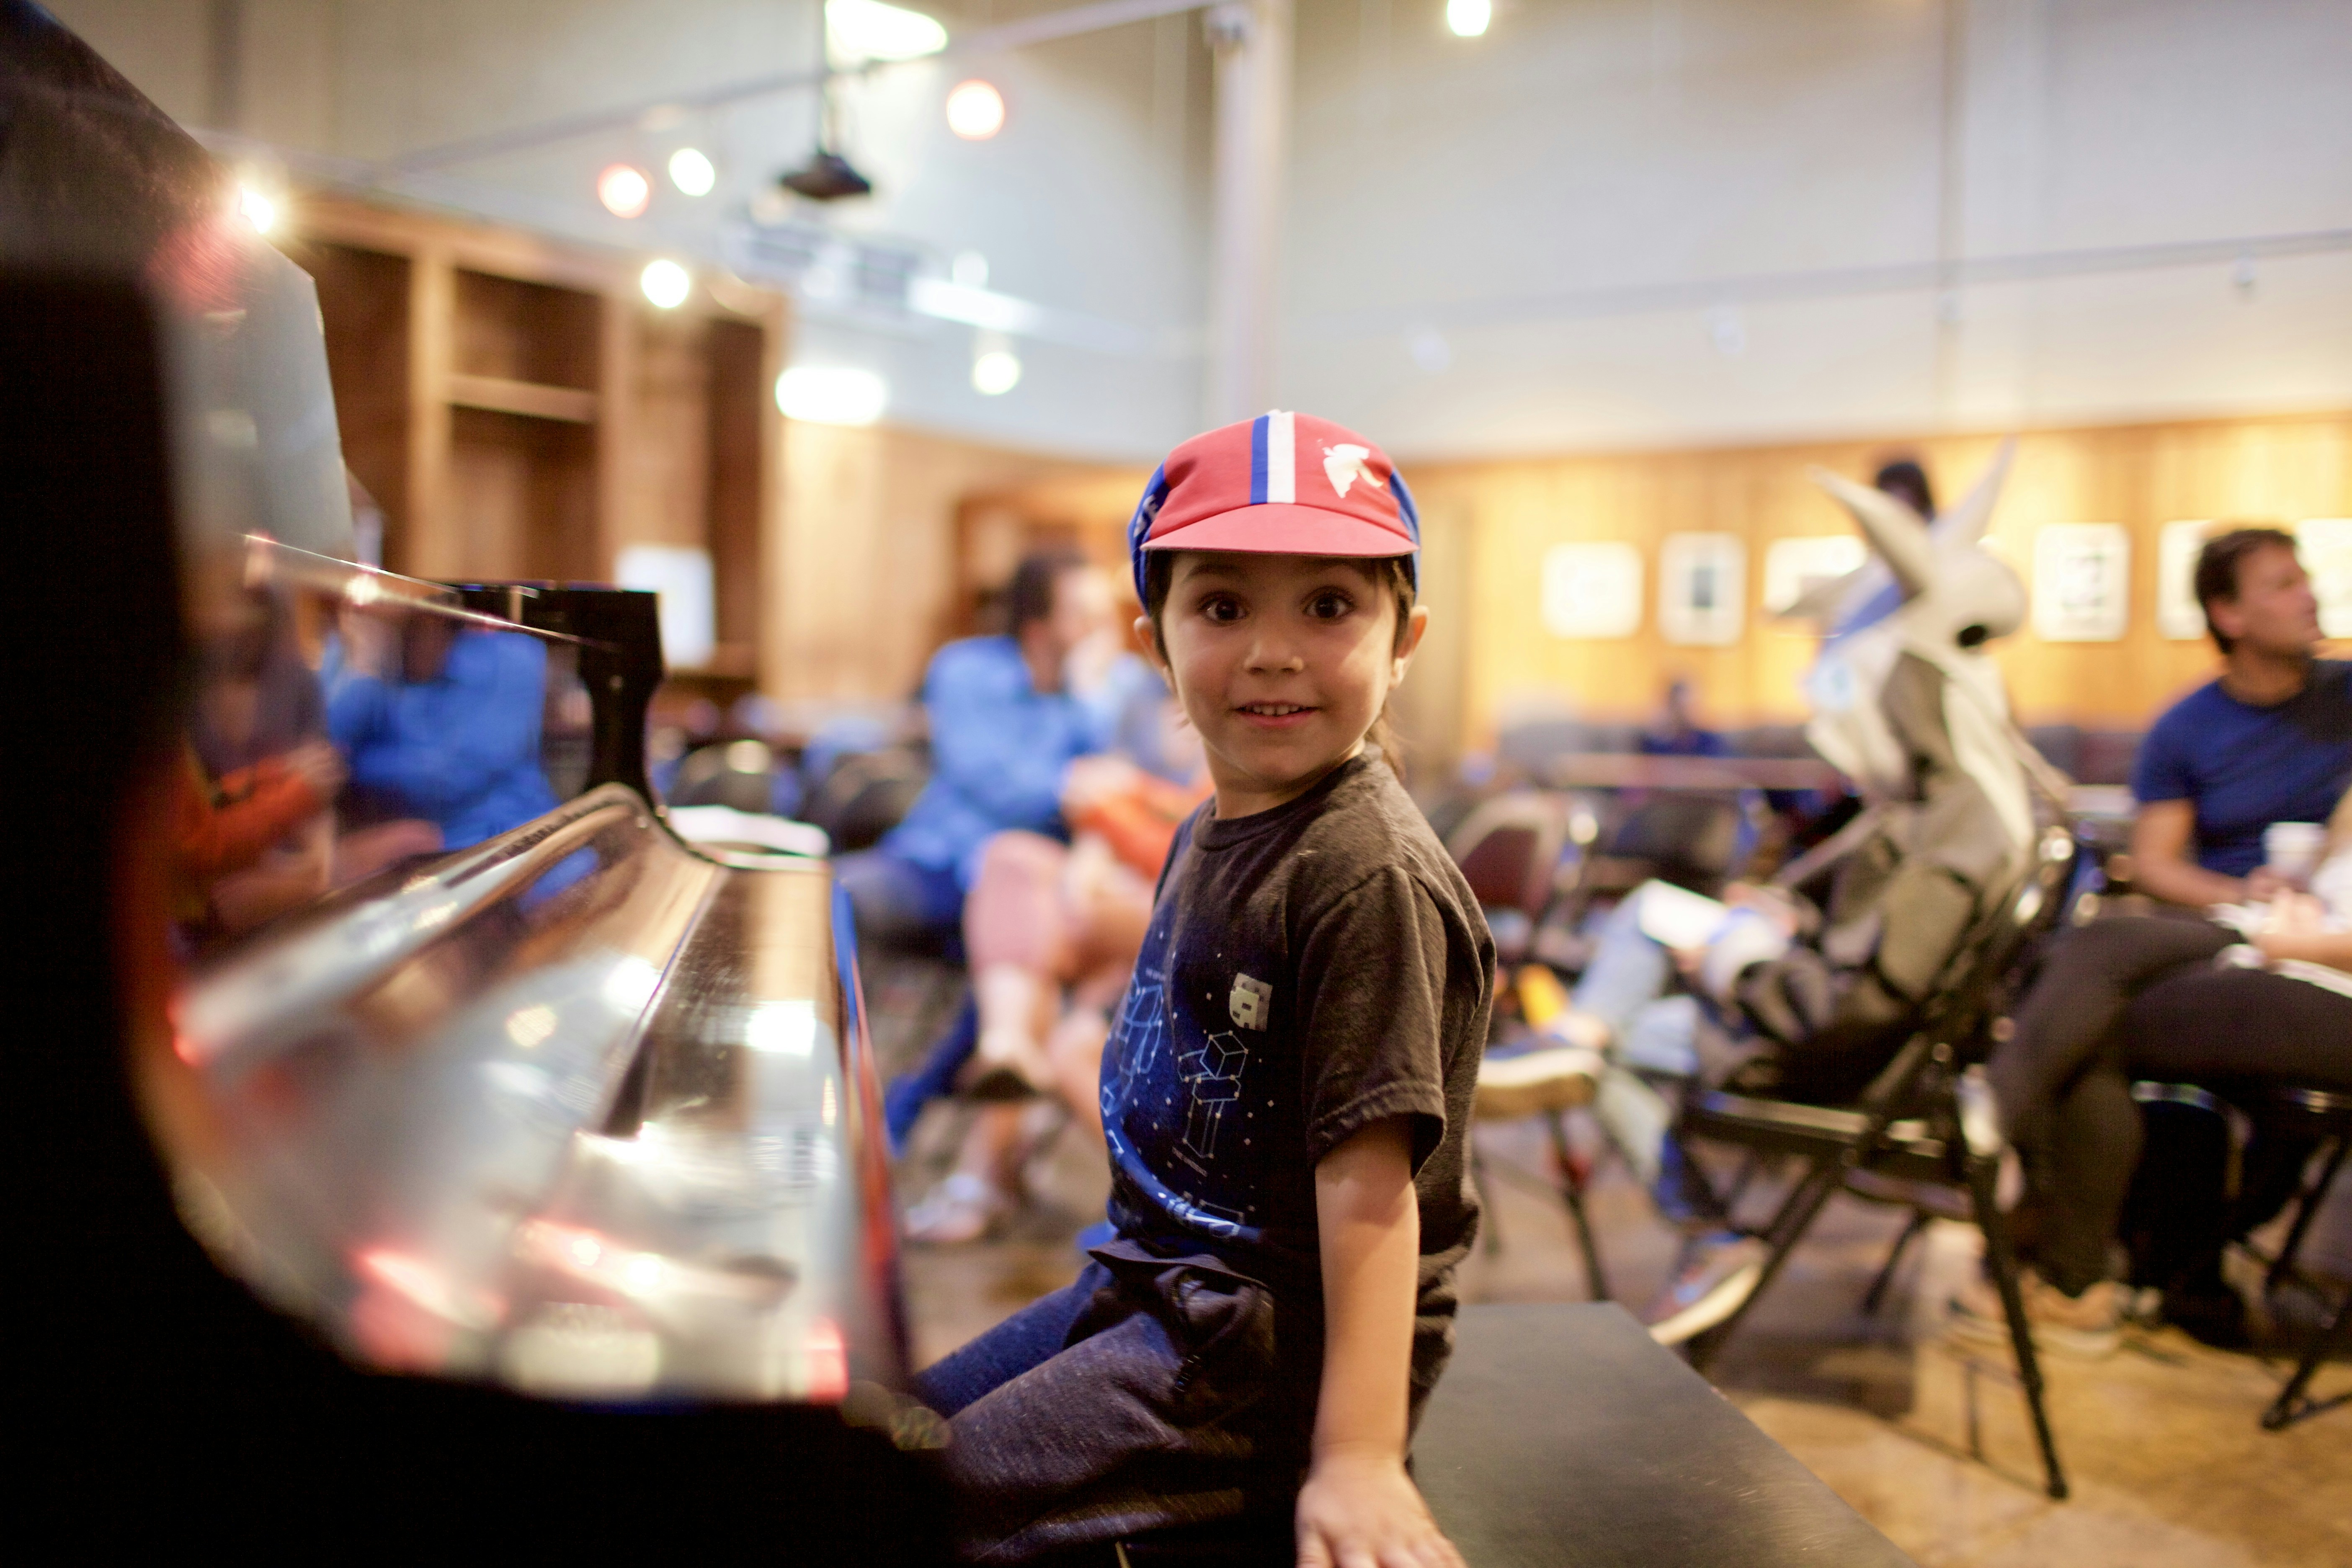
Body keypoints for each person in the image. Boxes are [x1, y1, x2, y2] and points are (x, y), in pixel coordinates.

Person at [910, 413, 1486, 1567]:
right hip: (1154, 1284)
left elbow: (1373, 1193)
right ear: (1155, 642)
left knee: (908, 1513)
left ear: (1404, 636)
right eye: (1223, 607)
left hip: (1262, 1344)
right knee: (885, 1431)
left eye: (1328, 606)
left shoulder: (1363, 872)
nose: (1274, 652)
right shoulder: (1207, 829)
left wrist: (1359, 1460)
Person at [1968, 783, 2352, 1354]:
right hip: (2303, 955)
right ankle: (2121, 1264)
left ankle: (2063, 1255)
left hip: (2330, 986)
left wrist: (2289, 939)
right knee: (2098, 963)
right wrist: (2298, 896)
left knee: (2094, 1017)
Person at [837, 553, 1114, 949]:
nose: (1099, 630)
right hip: (939, 862)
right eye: (1084, 614)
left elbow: (1113, 792)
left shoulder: (1099, 693)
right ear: (1037, 629)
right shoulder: (964, 668)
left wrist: (1090, 698)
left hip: (1032, 882)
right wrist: (1066, 787)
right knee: (824, 902)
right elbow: (990, 781)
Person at [2129, 526, 2352, 908]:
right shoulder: (2181, 728)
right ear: (2228, 614)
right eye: (2284, 586)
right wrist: (2241, 895)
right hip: (2239, 921)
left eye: (2305, 581)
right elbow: (2153, 865)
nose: (2308, 597)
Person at [323, 606, 558, 850]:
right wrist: (366, 673)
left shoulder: (515, 658)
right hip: (400, 858)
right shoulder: (360, 655)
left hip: (509, 844)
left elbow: (453, 778)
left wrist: (353, 769)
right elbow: (320, 749)